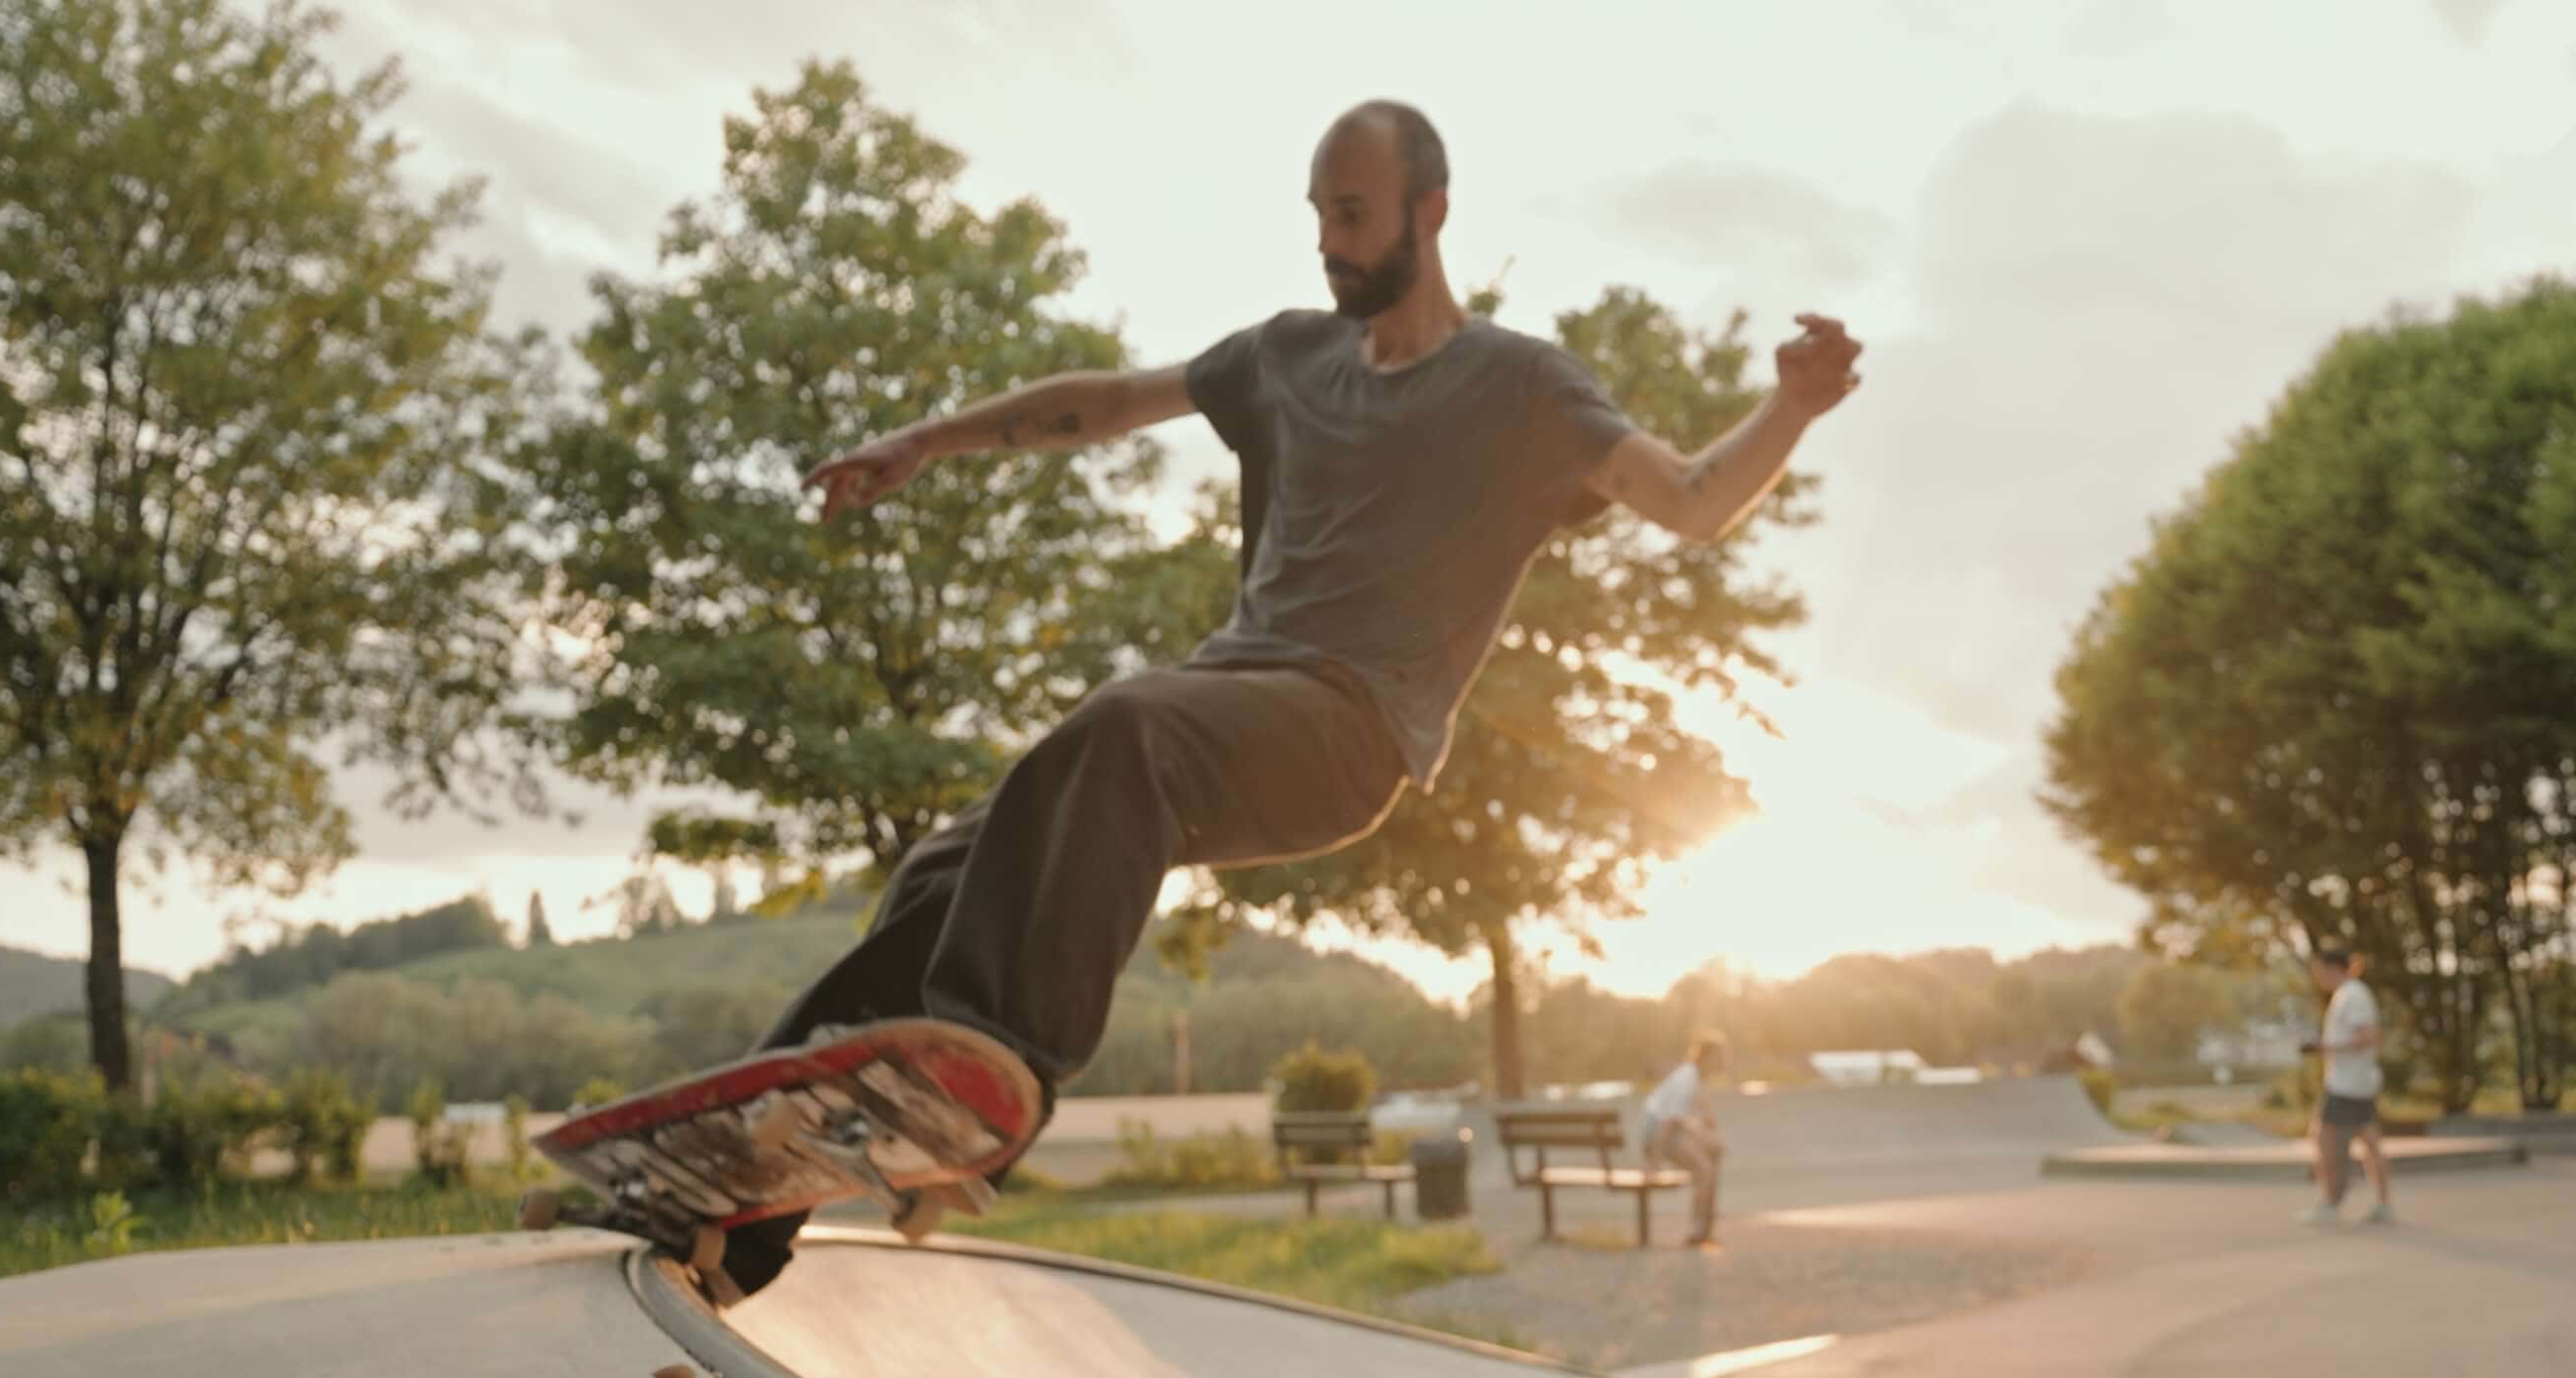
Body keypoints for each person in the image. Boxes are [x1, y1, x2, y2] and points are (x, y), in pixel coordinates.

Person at [721, 101, 1862, 1298]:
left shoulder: (1517, 387)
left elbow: (1687, 499)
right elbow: (1113, 399)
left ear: (1431, 213)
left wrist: (1789, 407)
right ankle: (749, 1178)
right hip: (1230, 700)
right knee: (954, 866)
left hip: (1351, 731)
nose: (1331, 242)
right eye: (1320, 216)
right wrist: (929, 441)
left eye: (1355, 217)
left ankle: (983, 1088)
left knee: (1123, 728)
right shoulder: (1286, 356)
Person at [2303, 945, 2393, 1227]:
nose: (2318, 976)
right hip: (2358, 1082)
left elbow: (2370, 1036)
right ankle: (2382, 1203)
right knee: (2370, 1143)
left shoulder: (2352, 996)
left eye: (2320, 970)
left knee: (2323, 1141)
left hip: (2346, 1084)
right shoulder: (2349, 994)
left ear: (2333, 968)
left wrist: (2325, 1047)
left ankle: (2331, 1201)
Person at [1638, 1030, 1730, 1248]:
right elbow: (1668, 1123)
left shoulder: (1693, 1075)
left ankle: (1705, 1223)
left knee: (1714, 1151)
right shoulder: (1687, 1078)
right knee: (1704, 1170)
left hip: (1668, 1130)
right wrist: (1654, 1162)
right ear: (1708, 1057)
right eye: (1721, 1056)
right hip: (1656, 1134)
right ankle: (1697, 1229)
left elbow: (1702, 1115)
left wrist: (1711, 1135)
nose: (1724, 1061)